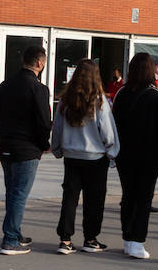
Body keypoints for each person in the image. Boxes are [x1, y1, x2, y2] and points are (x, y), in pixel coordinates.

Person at [51, 59, 120, 254]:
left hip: (72, 156)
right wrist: (112, 152)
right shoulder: (99, 100)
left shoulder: (65, 100)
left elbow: (57, 127)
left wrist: (56, 148)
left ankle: (65, 239)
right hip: (95, 157)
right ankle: (90, 238)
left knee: (70, 198)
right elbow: (107, 130)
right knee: (95, 199)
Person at [0, 44, 51, 255]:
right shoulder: (38, 88)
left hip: (6, 146)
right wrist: (44, 145)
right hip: (26, 149)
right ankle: (9, 239)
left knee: (12, 192)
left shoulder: (5, 85)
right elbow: (44, 121)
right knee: (19, 194)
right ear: (39, 63)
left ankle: (14, 232)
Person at [112, 53, 158, 260]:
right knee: (144, 197)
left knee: (128, 195)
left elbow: (114, 124)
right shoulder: (157, 95)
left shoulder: (121, 93)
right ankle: (138, 241)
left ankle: (128, 239)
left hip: (124, 154)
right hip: (149, 155)